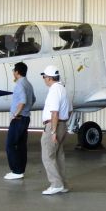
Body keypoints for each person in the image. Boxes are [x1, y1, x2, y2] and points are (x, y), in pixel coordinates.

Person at [40, 65, 72, 195]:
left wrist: (53, 131)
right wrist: (62, 126)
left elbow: (54, 113)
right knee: (59, 156)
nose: (44, 79)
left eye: (44, 77)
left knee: (47, 156)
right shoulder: (63, 89)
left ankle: (56, 184)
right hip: (62, 125)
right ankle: (63, 184)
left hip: (54, 125)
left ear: (49, 78)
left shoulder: (54, 90)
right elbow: (70, 110)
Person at [4, 61, 36, 180]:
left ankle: (16, 171)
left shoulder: (19, 85)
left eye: (13, 71)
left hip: (18, 119)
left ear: (17, 72)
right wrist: (26, 110)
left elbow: (22, 101)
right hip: (25, 118)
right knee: (22, 145)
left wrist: (15, 114)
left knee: (10, 145)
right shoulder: (28, 84)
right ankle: (20, 170)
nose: (13, 73)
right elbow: (33, 99)